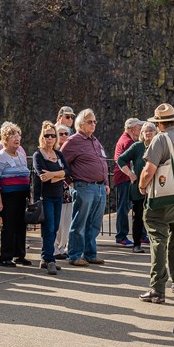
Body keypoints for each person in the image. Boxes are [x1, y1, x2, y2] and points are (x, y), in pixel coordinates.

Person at [137, 104, 174, 302]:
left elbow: (148, 170)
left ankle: (157, 288)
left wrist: (142, 187)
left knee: (158, 239)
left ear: (159, 123)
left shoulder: (160, 139)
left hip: (162, 196)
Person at [63, 108, 109, 267]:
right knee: (80, 223)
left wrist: (106, 184)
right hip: (83, 186)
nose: (94, 124)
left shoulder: (95, 141)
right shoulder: (74, 140)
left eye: (95, 121)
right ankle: (75, 255)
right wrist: (70, 181)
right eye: (90, 122)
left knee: (94, 223)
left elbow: (103, 162)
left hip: (99, 188)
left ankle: (90, 254)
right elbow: (62, 162)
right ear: (81, 124)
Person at [0, 121, 32, 268]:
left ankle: (20, 255)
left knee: (21, 226)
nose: (17, 138)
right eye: (13, 135)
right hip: (9, 197)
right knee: (9, 227)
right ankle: (5, 257)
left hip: (22, 196)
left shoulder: (20, 154)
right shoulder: (1, 156)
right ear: (5, 139)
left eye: (18, 135)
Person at [115, 121, 157, 254]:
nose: (148, 133)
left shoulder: (159, 146)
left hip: (156, 188)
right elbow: (120, 159)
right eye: (145, 131)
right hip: (139, 188)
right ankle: (137, 244)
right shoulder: (137, 146)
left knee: (155, 217)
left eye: (151, 130)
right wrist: (130, 174)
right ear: (142, 134)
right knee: (138, 216)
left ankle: (157, 244)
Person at [31, 120, 67, 274]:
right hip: (45, 197)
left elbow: (68, 172)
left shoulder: (58, 154)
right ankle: (50, 259)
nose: (50, 138)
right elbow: (42, 176)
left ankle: (44, 258)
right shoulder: (38, 155)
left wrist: (54, 174)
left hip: (58, 196)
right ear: (42, 137)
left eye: (53, 135)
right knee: (49, 228)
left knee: (55, 228)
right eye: (47, 135)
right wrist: (59, 175)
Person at [113, 118, 145, 248]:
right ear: (132, 129)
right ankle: (121, 236)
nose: (141, 130)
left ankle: (140, 234)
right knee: (124, 207)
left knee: (132, 207)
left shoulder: (126, 140)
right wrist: (132, 174)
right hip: (125, 179)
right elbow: (121, 160)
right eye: (139, 128)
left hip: (125, 178)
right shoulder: (128, 142)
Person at [53, 124, 74, 258]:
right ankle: (55, 248)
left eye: (66, 134)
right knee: (57, 221)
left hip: (68, 189)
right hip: (55, 189)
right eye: (61, 134)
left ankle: (63, 247)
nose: (64, 136)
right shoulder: (52, 152)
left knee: (67, 221)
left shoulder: (71, 150)